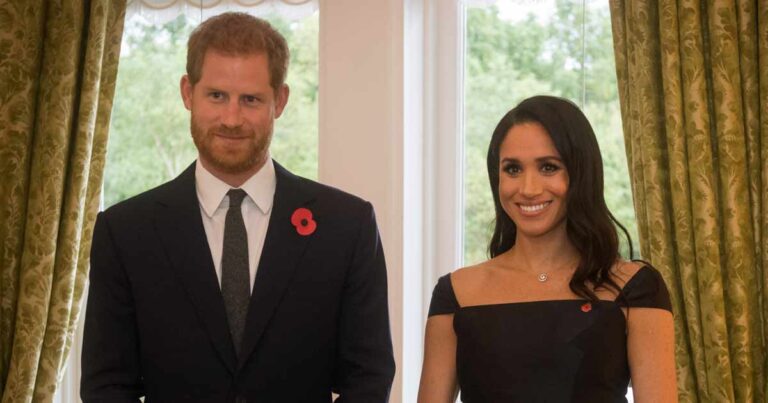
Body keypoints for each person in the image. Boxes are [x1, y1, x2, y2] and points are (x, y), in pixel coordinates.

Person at [81, 13, 395, 402]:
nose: (231, 119)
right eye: (216, 96)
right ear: (187, 93)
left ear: (280, 100)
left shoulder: (346, 227)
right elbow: (107, 386)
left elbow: (369, 377)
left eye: (250, 99)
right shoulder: (125, 233)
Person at [417, 95, 677, 403]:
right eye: (513, 169)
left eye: (548, 167)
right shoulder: (456, 292)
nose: (528, 189)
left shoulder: (635, 287)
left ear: (581, 173)